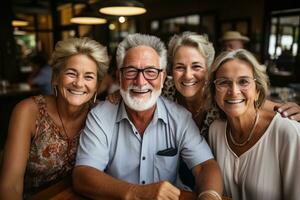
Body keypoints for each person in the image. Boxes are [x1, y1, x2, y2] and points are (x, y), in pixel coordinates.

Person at [73, 33, 223, 200]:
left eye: (150, 71)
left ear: (163, 77)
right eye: (131, 71)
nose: (140, 81)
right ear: (119, 76)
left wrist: (210, 196)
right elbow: (83, 174)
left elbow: (205, 166)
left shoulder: (180, 116)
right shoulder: (100, 116)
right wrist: (137, 193)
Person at [0, 37, 109, 199]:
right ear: (56, 78)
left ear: (96, 86)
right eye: (72, 73)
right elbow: (11, 186)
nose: (79, 83)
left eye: (88, 77)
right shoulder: (29, 111)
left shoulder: (101, 114)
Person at [206, 49, 300, 200]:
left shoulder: (287, 133)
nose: (234, 91)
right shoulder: (215, 131)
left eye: (243, 81)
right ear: (214, 91)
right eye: (224, 82)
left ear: (257, 91)